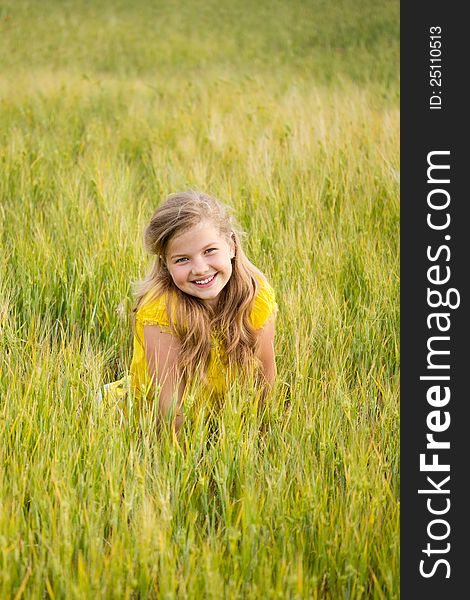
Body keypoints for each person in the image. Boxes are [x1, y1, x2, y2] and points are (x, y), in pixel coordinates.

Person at [99, 190, 277, 436]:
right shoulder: (161, 310)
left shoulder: (254, 295)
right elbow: (171, 411)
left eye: (210, 251)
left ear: (232, 246)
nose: (200, 269)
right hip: (145, 417)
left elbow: (265, 378)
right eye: (183, 259)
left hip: (214, 414)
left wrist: (262, 439)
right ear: (166, 265)